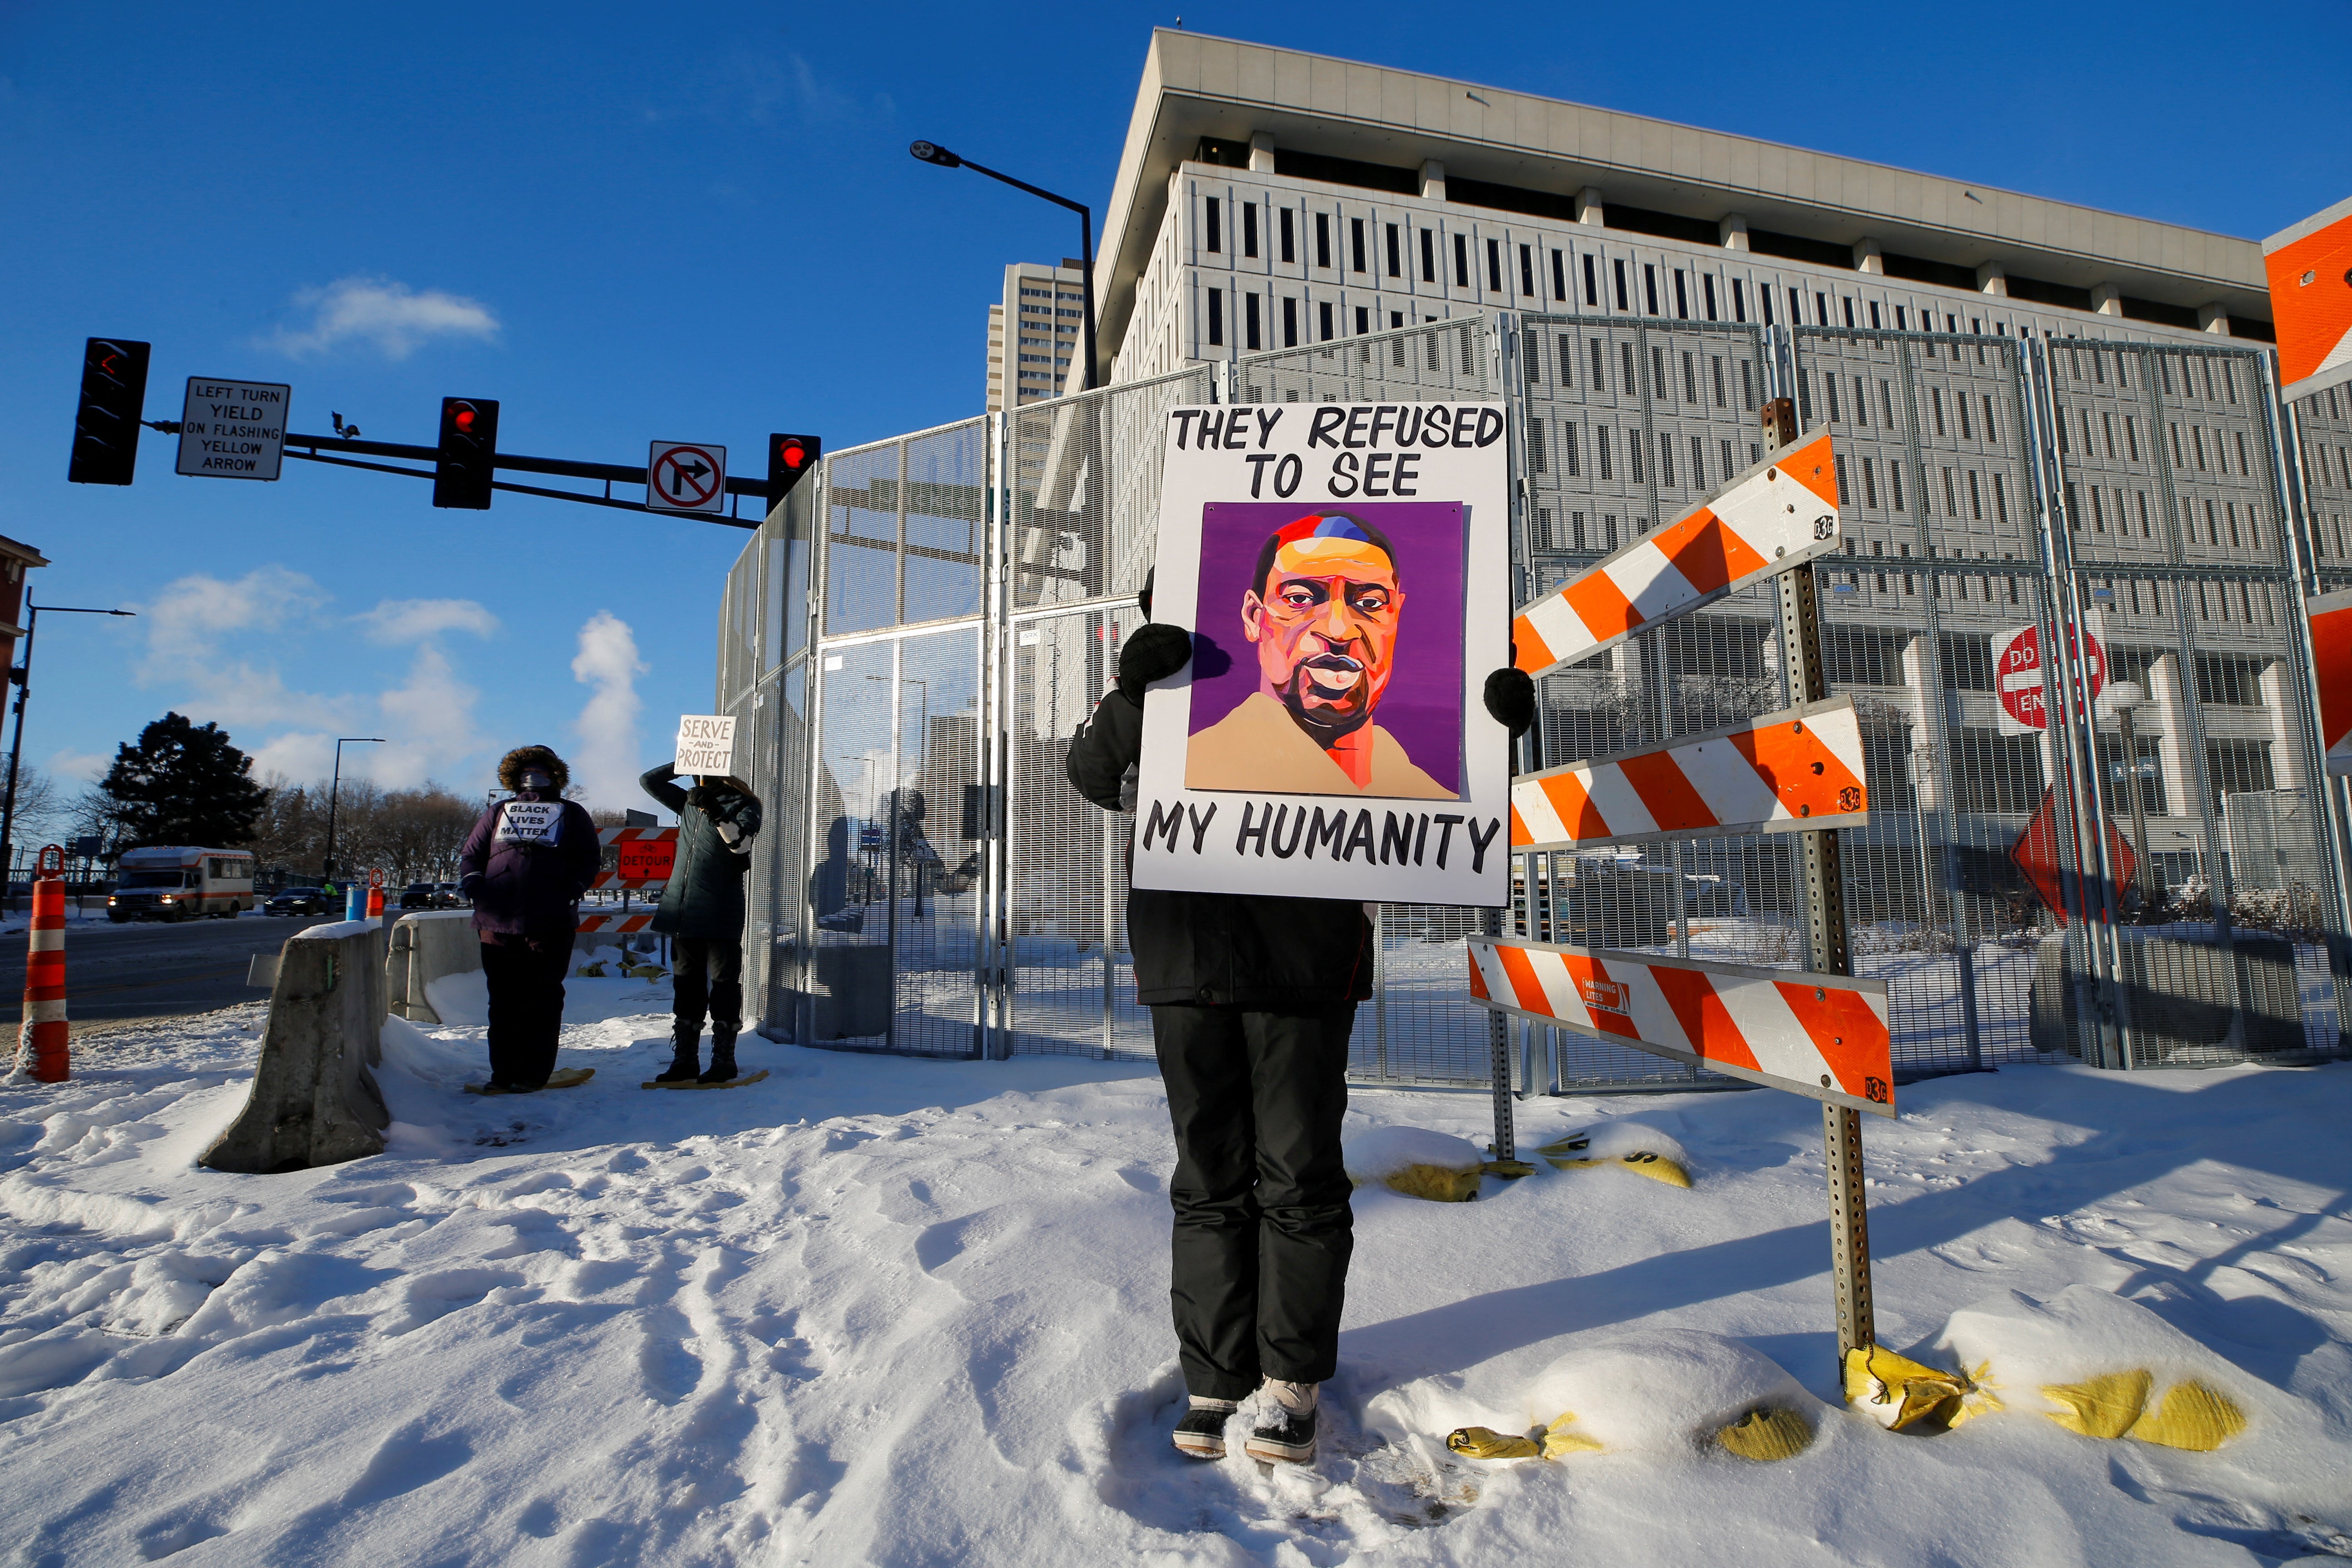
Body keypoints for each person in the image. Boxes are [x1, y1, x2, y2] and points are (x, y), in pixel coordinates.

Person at [1066, 578, 1534, 1465]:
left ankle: (1290, 1385)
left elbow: (1435, 763)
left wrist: (1495, 727)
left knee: (1299, 1174)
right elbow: (1091, 775)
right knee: (1209, 1174)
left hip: (1308, 960)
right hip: (1188, 957)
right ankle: (1215, 1378)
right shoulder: (1161, 667)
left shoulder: (1338, 667)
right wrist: (1134, 697)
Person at [1186, 513, 1450, 798]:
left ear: (1396, 616)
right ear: (1254, 617)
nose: (1339, 631)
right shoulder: (1198, 772)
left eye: (1370, 603)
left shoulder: (1434, 799)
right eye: (1300, 599)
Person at [456, 746, 601, 1093]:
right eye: (526, 773)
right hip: (497, 921)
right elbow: (471, 854)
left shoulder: (571, 813)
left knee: (543, 999)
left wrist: (574, 887)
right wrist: (474, 883)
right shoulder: (497, 812)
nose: (532, 779)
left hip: (550, 922)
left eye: (540, 772)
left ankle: (533, 1074)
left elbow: (589, 859)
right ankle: (503, 1073)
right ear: (515, 778)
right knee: (503, 1001)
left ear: (555, 777)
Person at [640, 764, 763, 1085]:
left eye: (703, 774)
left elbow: (741, 846)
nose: (698, 780)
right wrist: (682, 762)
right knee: (686, 987)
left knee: (723, 985)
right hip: (683, 909)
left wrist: (715, 809)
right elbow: (649, 781)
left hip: (721, 910)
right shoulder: (688, 802)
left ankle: (724, 1060)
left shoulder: (746, 804)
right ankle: (685, 1061)